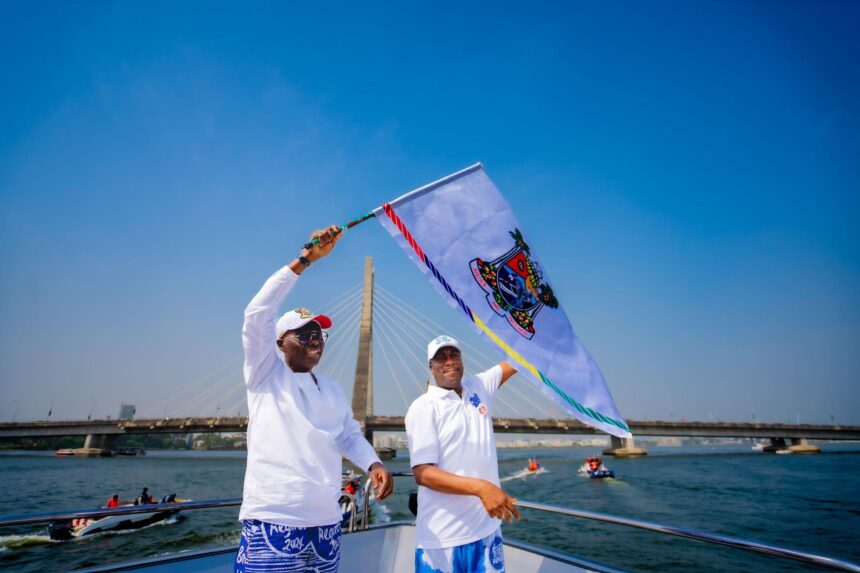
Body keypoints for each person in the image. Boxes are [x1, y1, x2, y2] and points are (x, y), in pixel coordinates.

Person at [236, 225, 393, 573]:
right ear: (279, 343)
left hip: (326, 523)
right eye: (305, 333)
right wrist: (306, 259)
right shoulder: (265, 374)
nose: (316, 339)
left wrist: (374, 464)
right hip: (274, 520)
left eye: (320, 334)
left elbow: (349, 436)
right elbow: (256, 314)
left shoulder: (331, 389)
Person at [406, 335, 519, 572]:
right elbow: (423, 473)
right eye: (440, 358)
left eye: (453, 355)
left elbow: (520, 359)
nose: (448, 361)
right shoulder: (423, 407)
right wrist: (482, 488)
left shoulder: (478, 387)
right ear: (431, 367)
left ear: (461, 360)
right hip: (443, 540)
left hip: (487, 533)